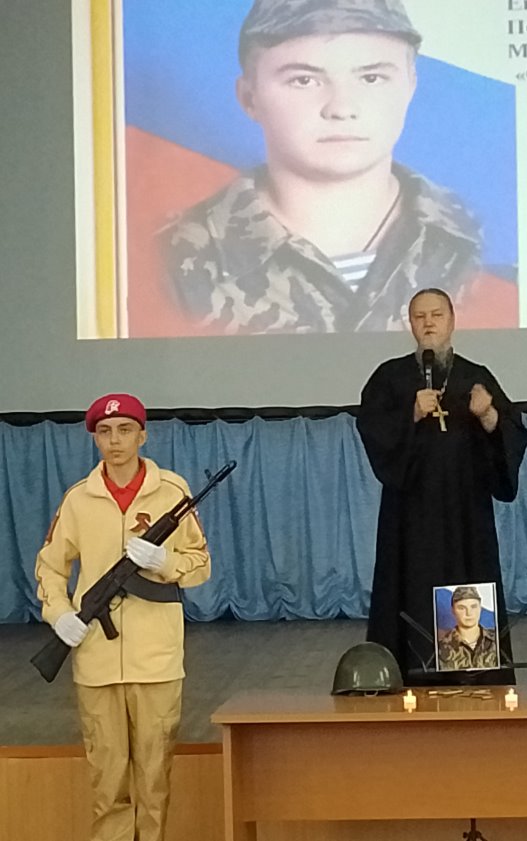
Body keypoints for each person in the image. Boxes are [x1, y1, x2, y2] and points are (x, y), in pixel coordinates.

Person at [162, 0, 481, 334]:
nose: (341, 108)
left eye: (372, 78)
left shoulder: (472, 243)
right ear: (249, 98)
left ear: (410, 86)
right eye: (304, 80)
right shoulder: (173, 258)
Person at [34, 394, 211, 841]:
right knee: (107, 779)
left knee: (154, 777)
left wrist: (164, 562)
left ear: (143, 435)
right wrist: (59, 614)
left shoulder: (172, 493)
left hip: (157, 659)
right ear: (95, 439)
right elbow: (51, 566)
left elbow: (200, 564)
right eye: (105, 432)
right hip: (96, 658)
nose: (115, 441)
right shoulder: (79, 499)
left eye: (125, 430)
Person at [356, 288, 527, 684]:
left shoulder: (476, 376)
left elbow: (512, 432)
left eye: (436, 315)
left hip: (466, 512)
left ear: (452, 321)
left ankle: (473, 675)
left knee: (470, 586)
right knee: (408, 586)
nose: (428, 323)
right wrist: (412, 414)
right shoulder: (389, 377)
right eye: (420, 317)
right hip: (410, 515)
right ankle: (410, 676)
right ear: (410, 325)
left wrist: (488, 416)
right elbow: (372, 428)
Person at [436, 585, 500, 671]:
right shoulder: (441, 647)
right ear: (453, 610)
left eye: (473, 607)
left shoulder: (497, 638)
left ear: (480, 608)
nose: (469, 613)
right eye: (461, 608)